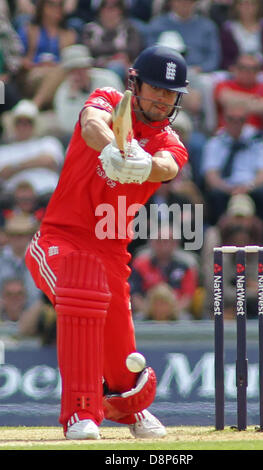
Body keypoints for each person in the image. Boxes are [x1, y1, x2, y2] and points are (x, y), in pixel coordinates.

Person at [25, 45, 189, 440]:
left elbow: (168, 166)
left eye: (170, 93)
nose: (162, 99)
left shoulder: (170, 142)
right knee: (82, 294)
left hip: (112, 252)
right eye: (155, 89)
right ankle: (79, 414)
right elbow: (92, 124)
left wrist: (144, 163)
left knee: (121, 360)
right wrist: (116, 148)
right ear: (135, 83)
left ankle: (130, 410)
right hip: (59, 239)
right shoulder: (109, 99)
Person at [201, 103, 263, 225]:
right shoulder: (214, 142)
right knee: (214, 196)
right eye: (231, 119)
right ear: (224, 119)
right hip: (225, 189)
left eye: (240, 120)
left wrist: (248, 187)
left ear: (245, 121)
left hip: (251, 188)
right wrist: (228, 189)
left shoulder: (258, 140)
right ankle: (218, 235)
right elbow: (211, 176)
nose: (235, 123)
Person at [53, 44, 124, 144]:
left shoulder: (107, 79)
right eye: (72, 71)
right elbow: (67, 126)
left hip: (113, 130)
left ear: (88, 67)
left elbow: (121, 109)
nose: (77, 75)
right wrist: (73, 97)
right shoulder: (64, 92)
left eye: (80, 69)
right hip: (84, 139)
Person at [0, 99, 65, 197]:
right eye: (19, 122)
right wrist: (36, 162)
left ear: (35, 125)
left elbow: (49, 161)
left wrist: (15, 166)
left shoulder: (48, 142)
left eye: (27, 122)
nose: (23, 126)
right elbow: (3, 174)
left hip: (46, 194)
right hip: (14, 199)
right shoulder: (4, 150)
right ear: (14, 125)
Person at [146, 0, 222, 73]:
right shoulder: (157, 24)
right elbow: (151, 53)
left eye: (189, 1)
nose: (184, 4)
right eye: (180, 1)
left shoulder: (208, 26)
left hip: (199, 73)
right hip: (166, 71)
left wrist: (202, 68)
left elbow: (213, 56)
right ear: (171, 2)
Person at [214, 53, 263, 133]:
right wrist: (257, 100)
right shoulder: (223, 84)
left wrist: (235, 102)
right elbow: (224, 98)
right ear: (234, 68)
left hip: (257, 134)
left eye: (252, 68)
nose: (247, 72)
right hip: (226, 134)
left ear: (258, 71)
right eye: (242, 67)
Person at [81, 0, 144, 83]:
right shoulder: (90, 29)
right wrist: (114, 54)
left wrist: (105, 51)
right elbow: (87, 50)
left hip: (122, 67)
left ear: (121, 10)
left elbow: (133, 50)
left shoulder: (130, 29)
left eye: (115, 6)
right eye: (105, 6)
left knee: (117, 67)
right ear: (100, 10)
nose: (110, 11)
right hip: (95, 65)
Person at [220, 0, 263, 70]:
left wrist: (260, 67)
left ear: (258, 6)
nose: (247, 8)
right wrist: (235, 68)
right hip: (237, 70)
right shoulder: (228, 28)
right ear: (236, 6)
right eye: (243, 4)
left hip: (262, 68)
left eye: (252, 4)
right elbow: (225, 56)